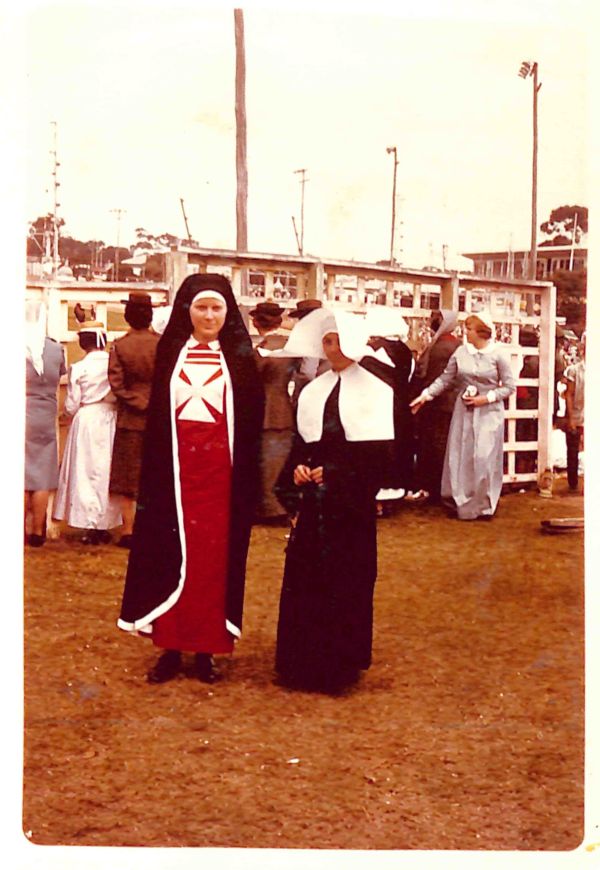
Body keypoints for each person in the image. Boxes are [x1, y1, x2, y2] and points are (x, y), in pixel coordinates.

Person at [118, 274, 264, 685]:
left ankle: (206, 649)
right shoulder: (170, 354)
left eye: (217, 308)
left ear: (228, 312)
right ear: (187, 310)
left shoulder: (239, 358)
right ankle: (169, 647)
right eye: (201, 307)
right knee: (169, 554)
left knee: (212, 562)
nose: (209, 315)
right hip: (176, 476)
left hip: (221, 479)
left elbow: (249, 424)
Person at [273, 308, 396, 692]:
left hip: (350, 504)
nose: (334, 347)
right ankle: (299, 664)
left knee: (346, 580)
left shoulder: (378, 390)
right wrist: (298, 471)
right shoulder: (313, 389)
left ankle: (339, 668)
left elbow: (382, 456)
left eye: (340, 339)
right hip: (314, 503)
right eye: (327, 340)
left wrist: (339, 474)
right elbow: (301, 444)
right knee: (305, 578)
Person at [410, 311, 515, 520]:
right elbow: (445, 379)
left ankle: (483, 504)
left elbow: (510, 386)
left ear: (481, 332)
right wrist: (425, 396)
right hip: (464, 410)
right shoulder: (460, 353)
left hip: (488, 412)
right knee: (461, 456)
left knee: (483, 456)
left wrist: (487, 398)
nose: (465, 332)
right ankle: (459, 501)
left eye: (469, 328)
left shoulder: (498, 354)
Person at [53, 321, 122, 542]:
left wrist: (67, 413)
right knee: (106, 470)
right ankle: (105, 522)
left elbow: (72, 403)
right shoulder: (113, 363)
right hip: (110, 417)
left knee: (85, 471)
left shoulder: (80, 367)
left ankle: (88, 522)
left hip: (87, 419)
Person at [108, 291, 161, 547]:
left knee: (128, 479)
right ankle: (153, 529)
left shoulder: (120, 345)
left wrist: (137, 402)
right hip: (158, 419)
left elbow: (116, 385)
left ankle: (128, 531)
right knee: (155, 475)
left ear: (128, 317)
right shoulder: (162, 344)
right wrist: (153, 403)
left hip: (130, 418)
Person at [250, 301, 299, 523]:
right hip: (284, 406)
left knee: (267, 462)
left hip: (264, 408)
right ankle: (273, 504)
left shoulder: (261, 350)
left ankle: (271, 507)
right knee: (277, 460)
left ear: (258, 322)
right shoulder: (292, 345)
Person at [24, 300, 66, 547]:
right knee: (41, 474)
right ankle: (38, 530)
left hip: (21, 410)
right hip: (45, 413)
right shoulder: (54, 349)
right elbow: (60, 373)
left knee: (18, 473)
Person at [409, 309, 461, 503]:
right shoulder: (454, 345)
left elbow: (429, 376)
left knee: (435, 446)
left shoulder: (440, 347)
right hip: (447, 403)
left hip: (437, 404)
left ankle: (435, 487)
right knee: (444, 446)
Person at [563, 335, 585, 492]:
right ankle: (573, 483)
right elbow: (569, 394)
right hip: (577, 414)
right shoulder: (574, 370)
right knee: (573, 450)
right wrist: (570, 418)